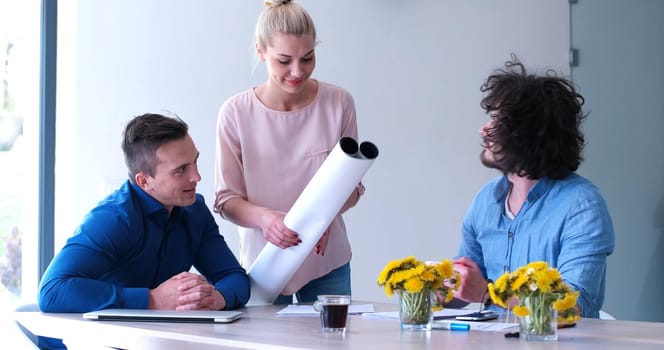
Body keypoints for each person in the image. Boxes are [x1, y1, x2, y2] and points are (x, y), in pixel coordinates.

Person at [38, 113, 250, 348]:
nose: (197, 176)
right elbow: (52, 291)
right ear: (144, 181)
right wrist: (152, 299)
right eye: (181, 170)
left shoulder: (195, 211)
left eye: (195, 162)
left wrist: (216, 298)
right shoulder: (112, 219)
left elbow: (234, 277)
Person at [213, 0, 364, 304]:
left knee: (332, 343)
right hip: (264, 265)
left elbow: (354, 186)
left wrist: (324, 218)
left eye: (308, 58)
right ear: (261, 51)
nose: (298, 71)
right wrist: (266, 220)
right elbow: (226, 200)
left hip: (326, 261)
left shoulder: (339, 103)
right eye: (284, 61)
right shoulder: (235, 113)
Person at [450, 58, 615, 318]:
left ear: (529, 132)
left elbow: (573, 306)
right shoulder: (485, 200)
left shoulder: (582, 204)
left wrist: (487, 294)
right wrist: (441, 287)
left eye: (496, 119)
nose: (483, 129)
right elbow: (467, 285)